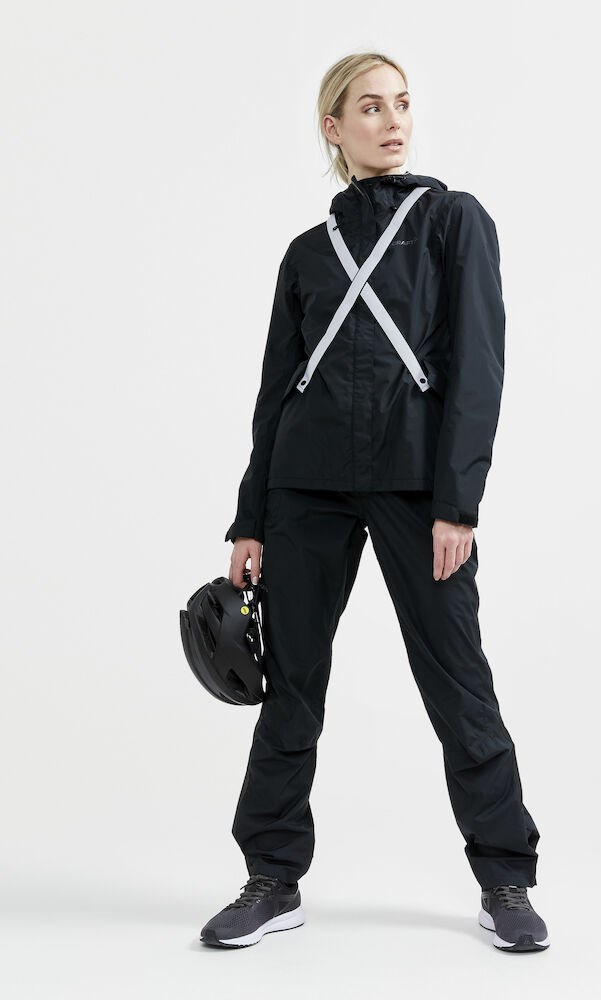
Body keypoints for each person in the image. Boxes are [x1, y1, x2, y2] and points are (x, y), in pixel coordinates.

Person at [200, 52, 550, 953]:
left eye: (401, 104)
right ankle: (272, 876)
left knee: (457, 680)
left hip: (416, 483)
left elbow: (479, 367)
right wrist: (249, 517)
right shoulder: (306, 253)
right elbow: (277, 391)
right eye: (369, 107)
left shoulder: (453, 220)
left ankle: (505, 878)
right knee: (292, 686)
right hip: (305, 481)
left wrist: (458, 503)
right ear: (334, 127)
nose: (392, 121)